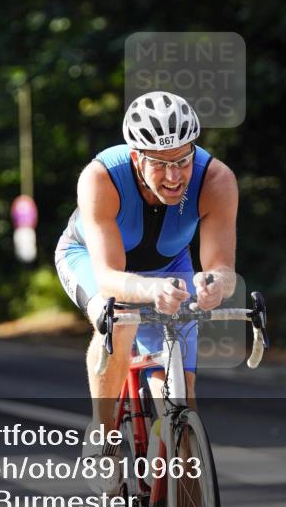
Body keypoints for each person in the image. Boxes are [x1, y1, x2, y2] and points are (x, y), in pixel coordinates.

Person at [55, 90, 238, 477]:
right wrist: (151, 291)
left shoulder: (216, 179)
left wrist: (214, 284)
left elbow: (222, 268)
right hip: (90, 258)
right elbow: (108, 278)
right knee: (120, 318)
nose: (174, 177)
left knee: (179, 402)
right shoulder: (100, 177)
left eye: (183, 161)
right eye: (159, 164)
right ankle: (103, 436)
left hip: (169, 266)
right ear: (136, 157)